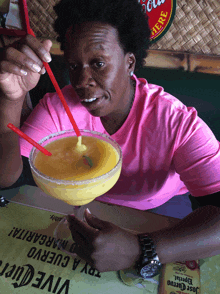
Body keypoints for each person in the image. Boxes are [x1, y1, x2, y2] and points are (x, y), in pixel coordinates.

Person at [0, 0, 220, 275]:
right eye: (74, 66)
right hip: (83, 209)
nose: (81, 81)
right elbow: (5, 177)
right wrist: (12, 97)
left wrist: (143, 250)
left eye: (98, 63)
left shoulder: (176, 123)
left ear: (130, 63)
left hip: (158, 214)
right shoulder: (59, 107)